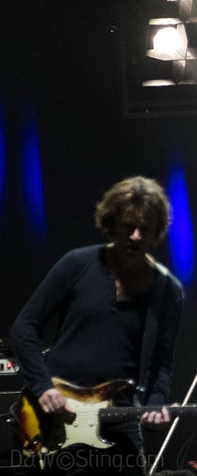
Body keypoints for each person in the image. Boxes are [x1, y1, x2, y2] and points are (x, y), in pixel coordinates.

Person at [9, 176, 184, 475]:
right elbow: (24, 327)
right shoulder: (76, 264)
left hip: (119, 417)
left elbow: (161, 363)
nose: (136, 236)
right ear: (112, 223)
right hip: (58, 415)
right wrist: (42, 386)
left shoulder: (168, 289)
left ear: (157, 232)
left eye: (145, 229)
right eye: (129, 226)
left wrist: (155, 403)